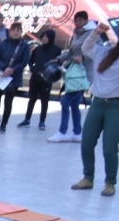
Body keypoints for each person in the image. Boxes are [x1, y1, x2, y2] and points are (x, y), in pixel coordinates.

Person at [71, 22, 119, 197]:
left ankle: (110, 183)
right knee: (87, 142)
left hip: (116, 106)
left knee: (110, 147)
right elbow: (86, 47)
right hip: (97, 103)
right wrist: (97, 32)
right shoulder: (102, 53)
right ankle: (88, 178)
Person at [50, 12, 97, 143]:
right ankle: (77, 132)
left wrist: (83, 57)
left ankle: (62, 131)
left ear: (86, 20)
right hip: (73, 73)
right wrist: (59, 59)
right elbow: (70, 51)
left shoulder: (93, 34)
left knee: (65, 102)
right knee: (74, 104)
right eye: (75, 20)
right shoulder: (76, 34)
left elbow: (97, 51)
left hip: (83, 74)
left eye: (80, 20)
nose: (77, 23)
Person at [0, 23, 29, 133]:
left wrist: (12, 69)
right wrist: (4, 67)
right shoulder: (4, 43)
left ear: (21, 32)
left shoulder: (24, 46)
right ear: (10, 32)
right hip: (2, 75)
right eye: (13, 30)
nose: (15, 32)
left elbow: (24, 61)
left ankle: (3, 125)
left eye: (18, 30)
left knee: (8, 102)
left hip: (14, 77)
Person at [18, 29, 60, 130]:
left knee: (44, 101)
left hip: (47, 79)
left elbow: (59, 63)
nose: (44, 39)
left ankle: (42, 121)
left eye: (47, 37)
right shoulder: (38, 49)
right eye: (43, 36)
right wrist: (33, 69)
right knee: (32, 99)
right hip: (35, 77)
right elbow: (30, 60)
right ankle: (27, 119)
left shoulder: (56, 50)